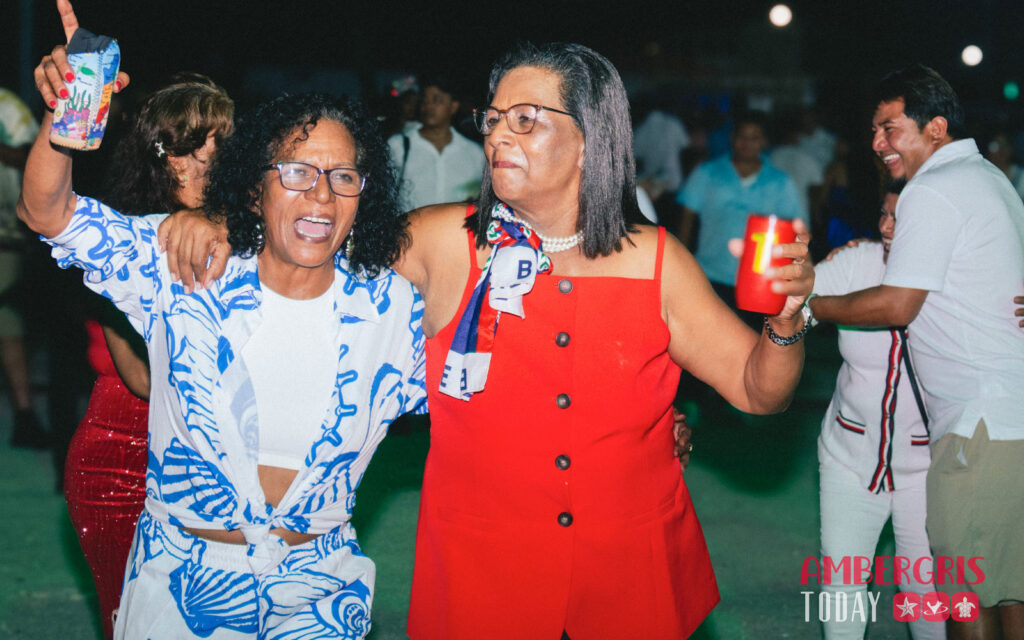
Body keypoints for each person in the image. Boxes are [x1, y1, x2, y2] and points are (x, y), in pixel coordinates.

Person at [160, 41, 812, 639]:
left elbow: (759, 391)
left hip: (628, 571)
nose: (498, 134)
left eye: (525, 119)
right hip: (484, 572)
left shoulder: (658, 261)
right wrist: (215, 219)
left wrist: (784, 323)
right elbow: (310, 234)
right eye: (494, 118)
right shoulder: (445, 244)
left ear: (590, 137)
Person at [21, 3, 425, 637]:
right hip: (178, 588)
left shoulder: (392, 310)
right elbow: (49, 213)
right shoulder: (184, 270)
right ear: (254, 185)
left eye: (342, 175)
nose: (320, 192)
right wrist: (69, 114)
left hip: (319, 597)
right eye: (295, 171)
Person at [809, 65, 1024, 640]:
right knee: (1000, 586)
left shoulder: (936, 186)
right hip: (974, 425)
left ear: (934, 127)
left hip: (968, 430)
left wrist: (816, 306)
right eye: (873, 131)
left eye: (889, 128)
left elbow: (898, 305)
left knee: (956, 593)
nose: (876, 144)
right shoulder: (991, 179)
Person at [62, 76, 233, 639]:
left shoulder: (246, 238)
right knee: (130, 621)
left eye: (219, 146)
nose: (205, 162)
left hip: (210, 461)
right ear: (160, 155)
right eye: (189, 146)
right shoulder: (116, 243)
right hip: (122, 455)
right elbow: (140, 376)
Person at [813, 182, 943, 640]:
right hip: (849, 454)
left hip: (929, 467)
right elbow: (794, 299)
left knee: (924, 590)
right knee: (842, 582)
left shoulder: (961, 277)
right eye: (884, 214)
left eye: (900, 217)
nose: (887, 226)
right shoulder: (858, 262)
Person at [677, 109, 805, 327]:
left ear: (764, 142)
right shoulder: (707, 172)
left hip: (760, 283)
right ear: (732, 139)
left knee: (752, 347)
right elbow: (685, 223)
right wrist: (680, 266)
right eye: (742, 136)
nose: (747, 143)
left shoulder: (781, 182)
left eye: (755, 137)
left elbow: (798, 233)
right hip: (709, 276)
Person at [0, 86, 48, 448]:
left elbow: (34, 155)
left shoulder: (6, 106)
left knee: (9, 323)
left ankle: (24, 414)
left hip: (6, 235)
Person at [388, 75, 484, 211]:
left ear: (453, 107)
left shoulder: (474, 153)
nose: (428, 106)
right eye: (424, 100)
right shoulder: (398, 146)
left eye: (436, 100)